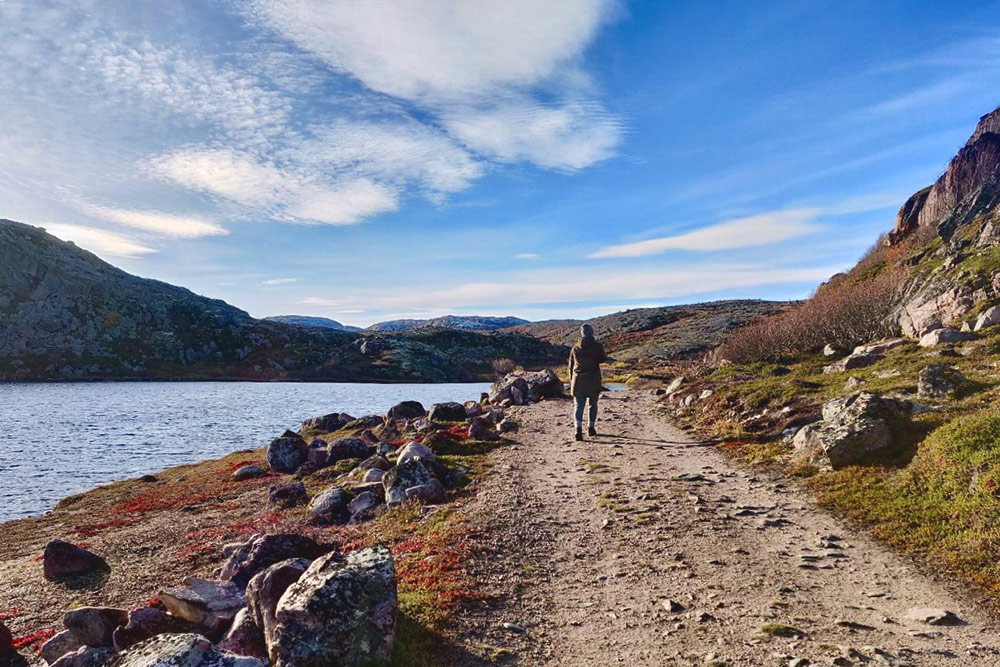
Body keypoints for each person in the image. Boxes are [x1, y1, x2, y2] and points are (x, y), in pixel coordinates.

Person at [568, 323, 607, 441]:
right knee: (593, 405)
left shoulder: (575, 348)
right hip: (593, 379)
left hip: (578, 380)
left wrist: (571, 380)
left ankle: (578, 431)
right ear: (592, 332)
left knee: (578, 406)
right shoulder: (597, 346)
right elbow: (602, 359)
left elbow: (571, 365)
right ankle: (591, 428)